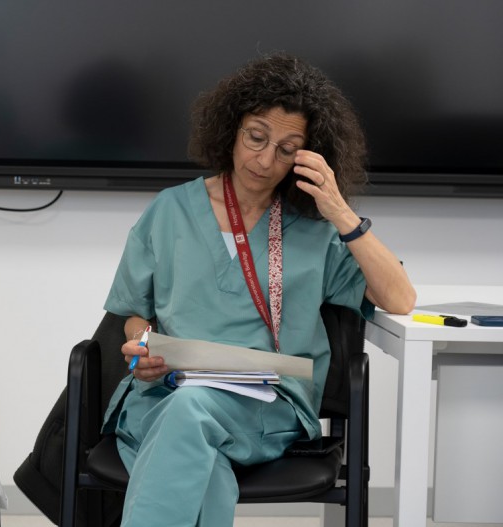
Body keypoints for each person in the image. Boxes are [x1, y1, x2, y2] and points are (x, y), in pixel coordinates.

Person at [103, 52, 416, 527]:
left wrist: (339, 211)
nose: (266, 159)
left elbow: (400, 298)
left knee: (190, 416)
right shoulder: (169, 211)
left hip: (266, 407)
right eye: (256, 137)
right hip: (165, 393)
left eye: (288, 149)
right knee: (203, 462)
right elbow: (133, 313)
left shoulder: (315, 230)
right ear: (231, 129)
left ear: (308, 157)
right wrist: (140, 349)